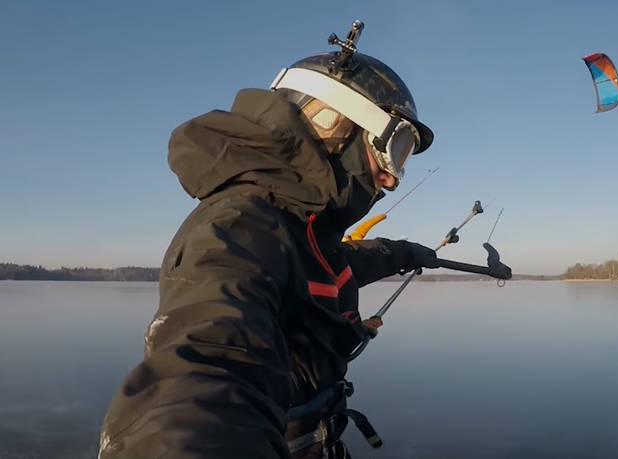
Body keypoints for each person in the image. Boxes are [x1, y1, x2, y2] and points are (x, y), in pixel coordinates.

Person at [99, 20, 439, 459]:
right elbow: (208, 364)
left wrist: (409, 253)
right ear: (336, 127)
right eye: (395, 149)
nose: (393, 177)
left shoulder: (304, 227)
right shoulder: (240, 227)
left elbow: (341, 264)